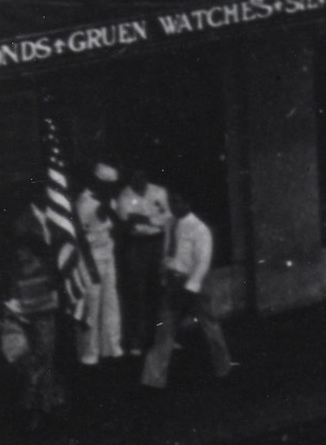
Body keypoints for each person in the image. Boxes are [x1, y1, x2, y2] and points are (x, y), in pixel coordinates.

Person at [143, 190, 235, 387]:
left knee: (209, 325)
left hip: (195, 283)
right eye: (171, 202)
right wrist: (165, 275)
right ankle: (153, 379)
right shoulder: (171, 224)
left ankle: (223, 366)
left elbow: (202, 262)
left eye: (177, 202)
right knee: (164, 328)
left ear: (187, 203)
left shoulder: (199, 229)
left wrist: (190, 288)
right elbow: (168, 252)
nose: (173, 206)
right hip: (174, 282)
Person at [6, 200, 66, 418]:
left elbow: (53, 293)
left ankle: (44, 402)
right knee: (31, 361)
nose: (20, 254)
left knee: (44, 359)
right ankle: (34, 402)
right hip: (25, 320)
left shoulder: (43, 267)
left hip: (43, 318)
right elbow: (13, 294)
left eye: (23, 250)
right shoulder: (16, 270)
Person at [112, 166, 170, 358]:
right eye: (135, 176)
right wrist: (153, 219)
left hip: (157, 244)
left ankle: (159, 339)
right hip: (136, 247)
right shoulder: (124, 196)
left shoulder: (159, 192)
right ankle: (136, 341)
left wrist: (145, 218)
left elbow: (167, 218)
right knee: (136, 293)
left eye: (142, 175)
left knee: (158, 291)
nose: (139, 180)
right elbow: (127, 221)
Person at [74, 164, 121, 366]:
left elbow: (114, 223)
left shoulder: (109, 200)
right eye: (106, 185)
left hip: (108, 255)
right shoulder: (84, 202)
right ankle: (89, 353)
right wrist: (90, 265)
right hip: (90, 258)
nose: (110, 189)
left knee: (110, 301)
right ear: (97, 182)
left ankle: (110, 346)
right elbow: (81, 239)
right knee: (91, 305)